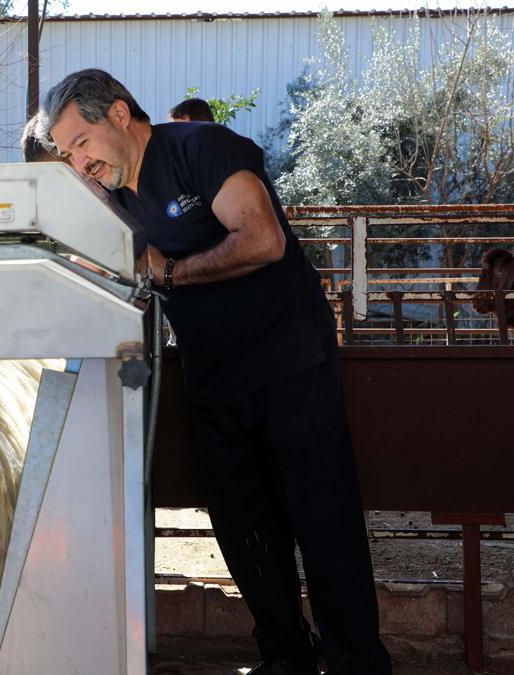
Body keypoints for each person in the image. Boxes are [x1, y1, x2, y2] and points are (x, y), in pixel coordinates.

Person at [40, 69, 391, 675]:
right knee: (244, 529)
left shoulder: (199, 148)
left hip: (288, 361)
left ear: (120, 115)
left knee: (322, 518)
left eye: (82, 143)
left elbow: (262, 240)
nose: (78, 163)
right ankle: (286, 658)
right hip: (212, 372)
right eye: (67, 153)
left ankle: (358, 661)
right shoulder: (116, 198)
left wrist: (169, 273)